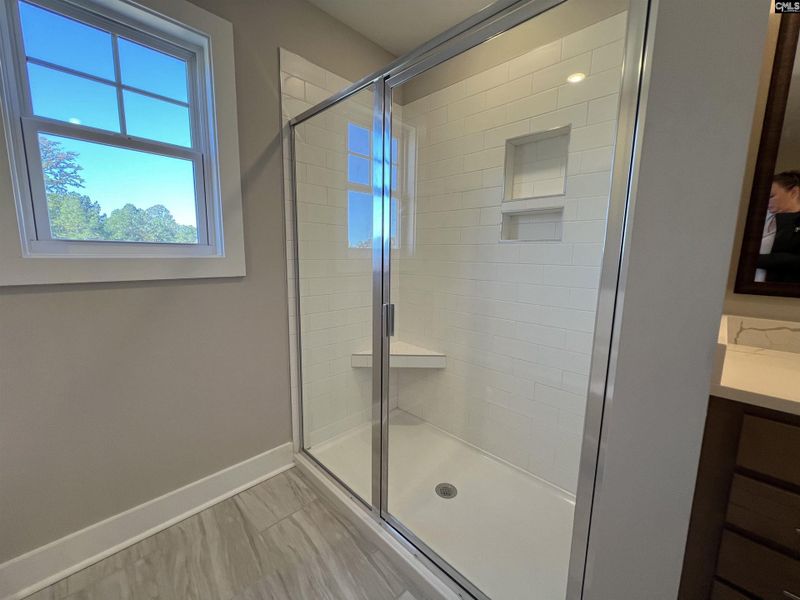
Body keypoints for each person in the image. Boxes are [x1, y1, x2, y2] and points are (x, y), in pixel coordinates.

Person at [757, 171, 800, 283]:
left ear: (794, 192)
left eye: (771, 196)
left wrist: (753, 260)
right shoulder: (759, 217)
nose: (766, 201)